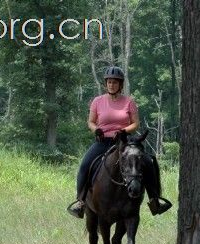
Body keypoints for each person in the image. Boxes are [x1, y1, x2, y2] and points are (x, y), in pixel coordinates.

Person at [67, 66, 172, 218]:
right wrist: (95, 129)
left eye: (115, 82)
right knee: (85, 165)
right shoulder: (97, 101)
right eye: (109, 82)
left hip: (124, 142)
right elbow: (90, 121)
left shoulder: (129, 102)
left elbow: (136, 123)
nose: (112, 85)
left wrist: (124, 131)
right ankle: (80, 202)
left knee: (148, 162)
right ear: (106, 84)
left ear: (120, 85)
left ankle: (154, 200)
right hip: (103, 141)